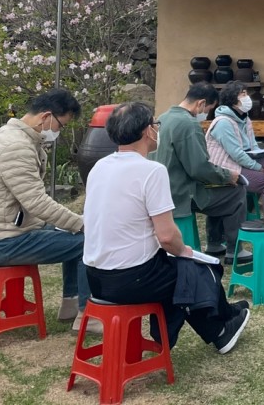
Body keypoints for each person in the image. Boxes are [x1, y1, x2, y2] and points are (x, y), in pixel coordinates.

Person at [83, 102, 250, 353]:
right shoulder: (151, 171)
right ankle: (220, 329)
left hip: (96, 276)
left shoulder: (100, 166)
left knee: (182, 271)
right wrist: (186, 252)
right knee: (196, 270)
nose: (157, 130)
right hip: (132, 278)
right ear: (147, 131)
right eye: (155, 124)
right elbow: (167, 236)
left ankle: (222, 323)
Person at [0, 88, 93, 332]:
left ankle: (71, 305)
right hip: (0, 241)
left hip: (1, 231)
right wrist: (80, 222)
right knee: (88, 240)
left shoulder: (9, 136)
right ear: (45, 117)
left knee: (73, 234)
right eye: (61, 126)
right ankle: (88, 315)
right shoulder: (16, 147)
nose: (58, 132)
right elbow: (37, 202)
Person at [155, 84, 247, 264]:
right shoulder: (189, 124)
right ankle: (234, 249)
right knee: (236, 192)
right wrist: (228, 176)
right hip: (182, 194)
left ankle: (214, 244)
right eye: (208, 109)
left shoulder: (163, 118)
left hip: (163, 190)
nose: (205, 114)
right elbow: (199, 168)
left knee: (217, 190)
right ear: (201, 103)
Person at [206, 81, 264, 219]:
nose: (247, 98)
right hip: (226, 167)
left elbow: (252, 146)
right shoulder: (223, 123)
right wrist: (257, 167)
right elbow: (236, 154)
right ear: (233, 99)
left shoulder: (245, 119)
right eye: (243, 94)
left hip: (243, 161)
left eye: (246, 93)